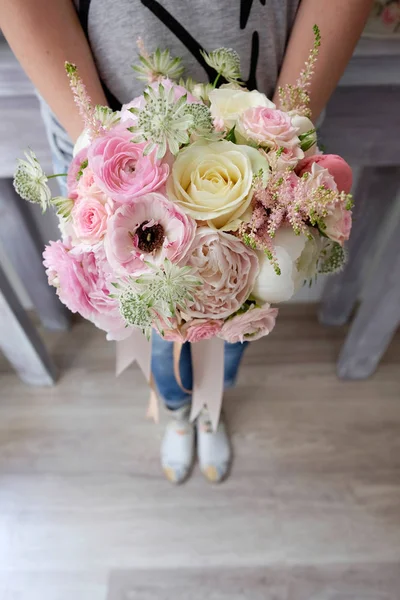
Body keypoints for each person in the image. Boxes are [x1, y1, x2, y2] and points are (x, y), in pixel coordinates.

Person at [1, 0, 374, 484]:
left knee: (242, 306)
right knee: (155, 320)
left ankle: (209, 409)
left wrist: (280, 140)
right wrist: (102, 146)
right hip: (106, 134)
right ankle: (178, 408)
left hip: (260, 126)